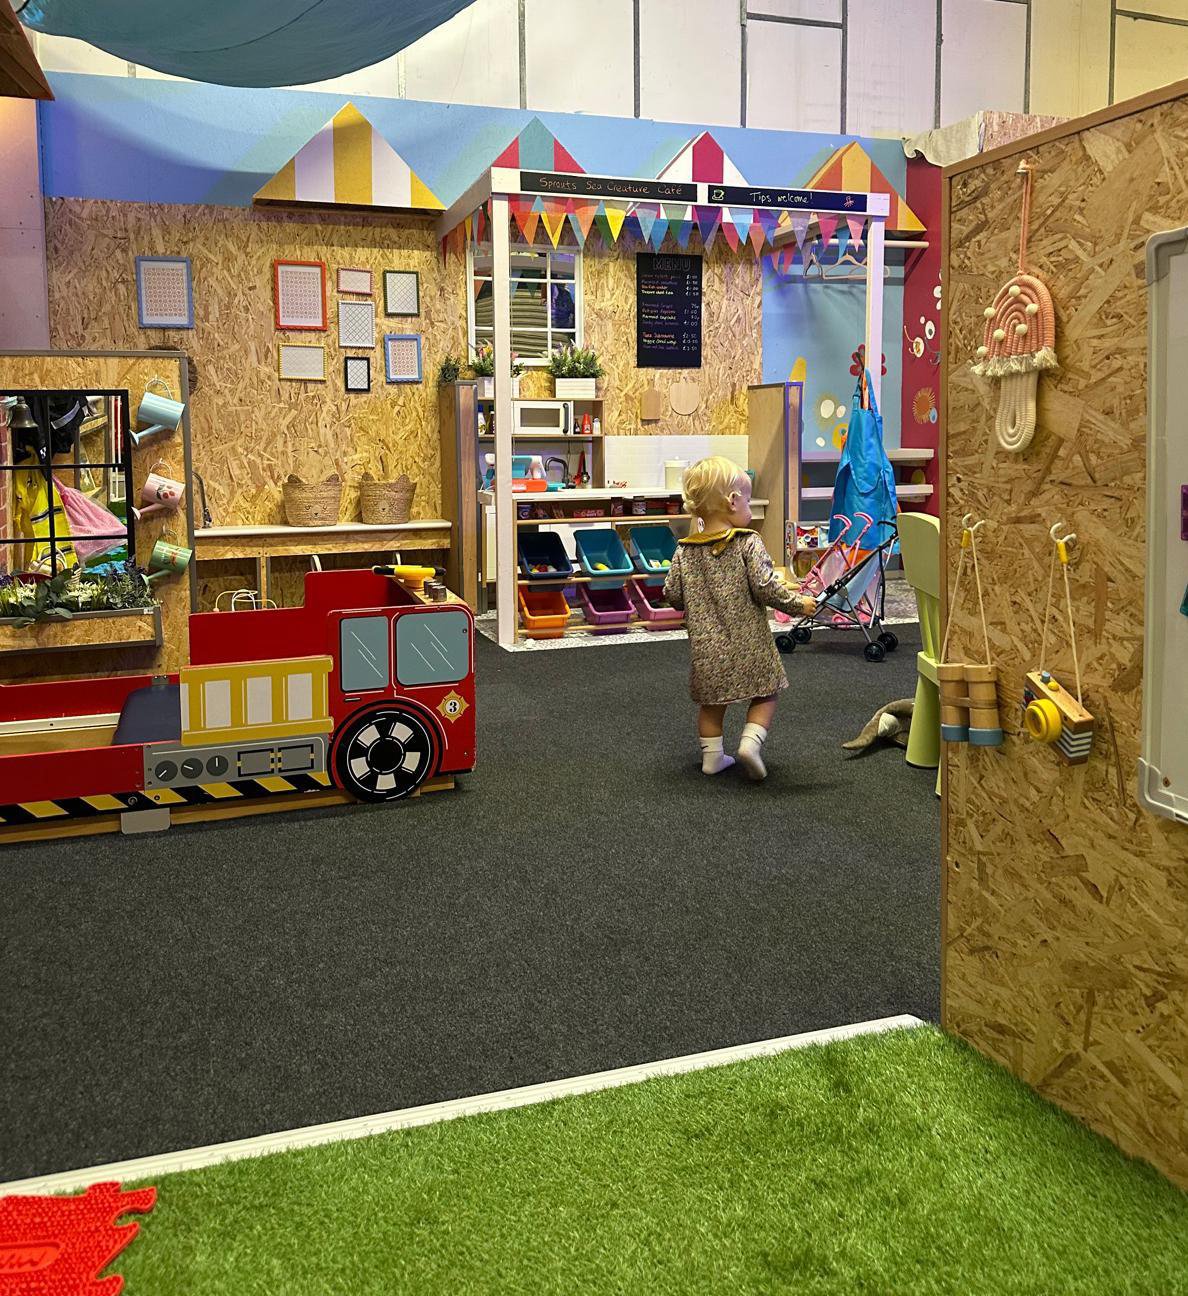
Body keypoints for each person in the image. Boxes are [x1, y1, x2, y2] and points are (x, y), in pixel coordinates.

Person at [663, 456, 815, 781]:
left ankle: (712, 758)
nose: (748, 505)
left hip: (708, 652)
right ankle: (750, 743)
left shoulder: (683, 551)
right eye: (747, 499)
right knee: (767, 692)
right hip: (752, 648)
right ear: (732, 501)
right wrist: (798, 604)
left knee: (711, 704)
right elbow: (766, 588)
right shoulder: (748, 543)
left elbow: (672, 594)